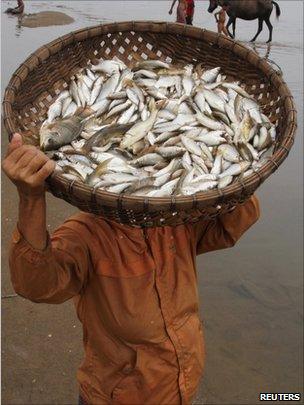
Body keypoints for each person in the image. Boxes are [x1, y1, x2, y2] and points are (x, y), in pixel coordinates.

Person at [2, 133, 260, 404]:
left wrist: (237, 167)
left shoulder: (174, 219)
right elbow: (38, 286)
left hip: (183, 386)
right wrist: (30, 199)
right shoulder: (86, 234)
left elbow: (229, 227)